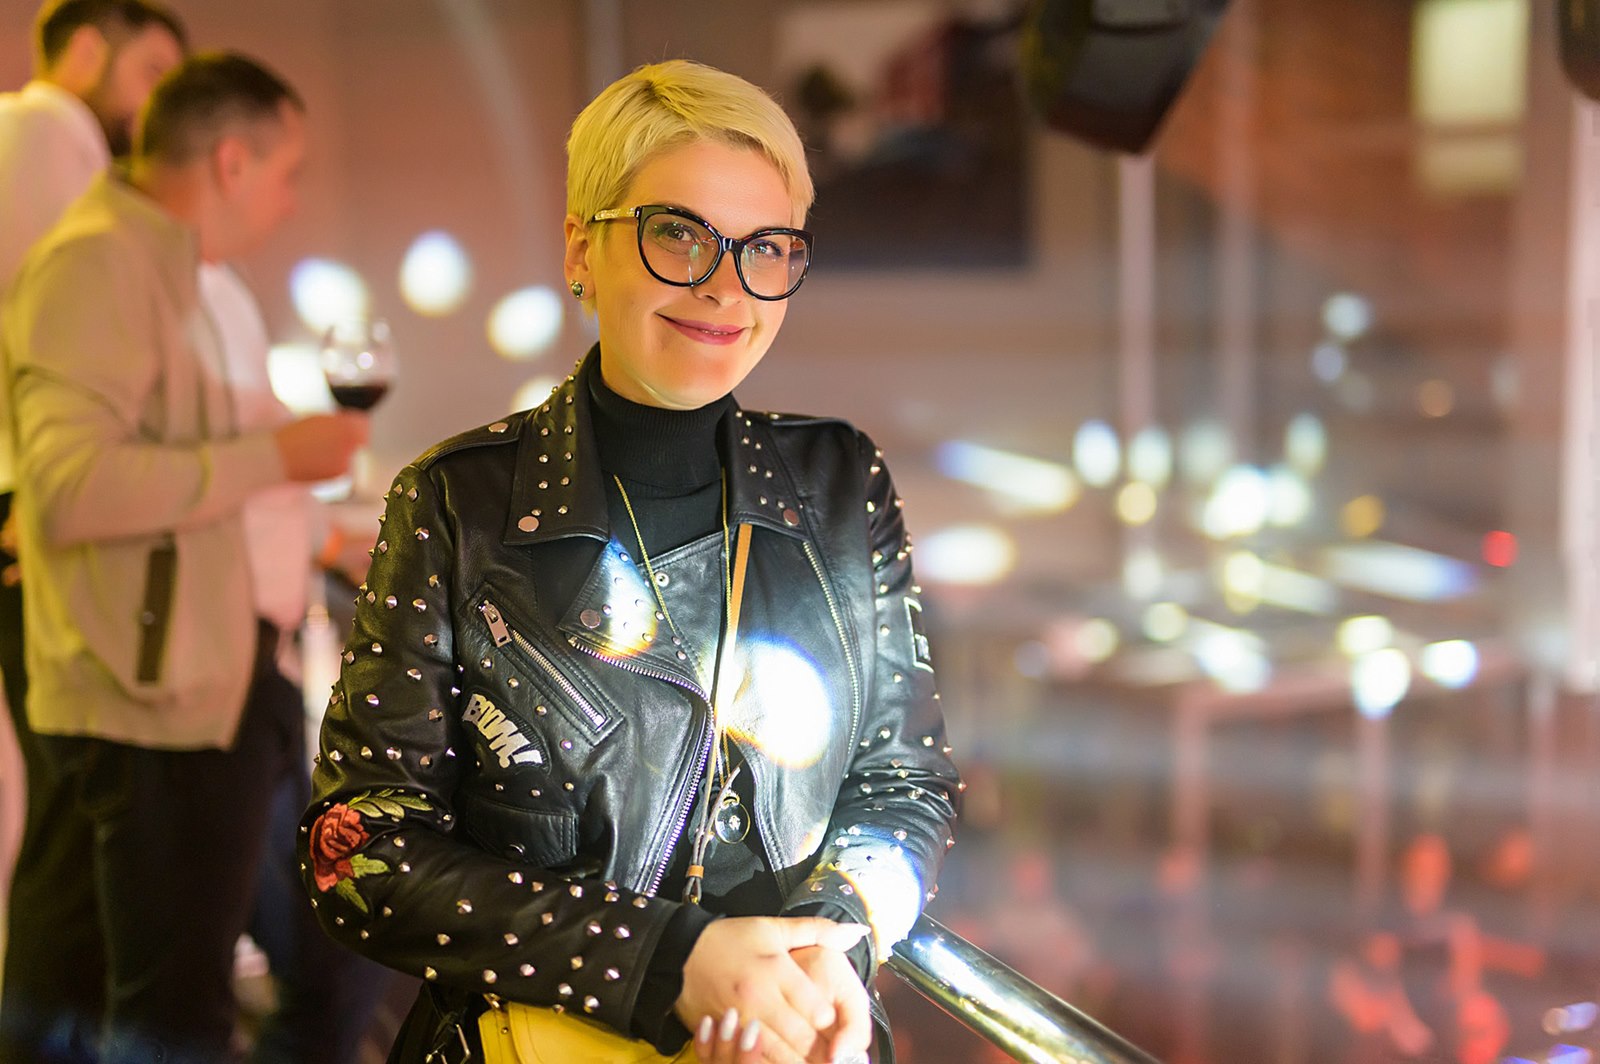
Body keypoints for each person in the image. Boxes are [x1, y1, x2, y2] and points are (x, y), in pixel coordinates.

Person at [301, 58, 961, 1064]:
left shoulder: (838, 481)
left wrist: (823, 953)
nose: (725, 286)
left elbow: (903, 783)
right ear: (582, 248)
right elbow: (358, 850)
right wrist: (666, 964)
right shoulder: (456, 501)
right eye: (678, 235)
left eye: (765, 247)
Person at [2, 51, 368, 1064]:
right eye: (288, 173)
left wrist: (305, 499)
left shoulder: (171, 270)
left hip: (214, 676)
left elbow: (183, 462)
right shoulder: (96, 264)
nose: (291, 202)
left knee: (257, 972)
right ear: (233, 161)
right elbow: (68, 487)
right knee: (172, 1007)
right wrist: (276, 455)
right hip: (157, 694)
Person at [0, 3, 185, 1058]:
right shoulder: (41, 131)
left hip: (35, 498)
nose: (162, 101)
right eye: (151, 69)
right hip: (38, 507)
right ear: (81, 47)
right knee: (75, 814)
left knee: (74, 810)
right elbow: (59, 329)